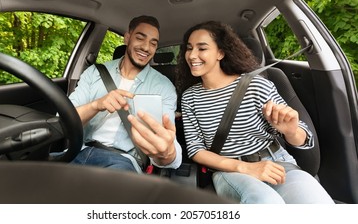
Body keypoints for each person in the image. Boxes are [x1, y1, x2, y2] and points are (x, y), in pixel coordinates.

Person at [176, 20, 334, 204]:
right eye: (189, 48)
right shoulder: (189, 98)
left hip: (276, 161)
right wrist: (245, 168)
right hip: (229, 170)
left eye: (202, 48)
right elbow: (196, 150)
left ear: (220, 53)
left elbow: (304, 139)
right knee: (266, 202)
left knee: (317, 201)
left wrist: (290, 131)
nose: (192, 55)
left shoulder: (256, 86)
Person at [69, 15, 182, 173]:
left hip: (122, 160)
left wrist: (168, 153)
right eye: (140, 38)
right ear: (127, 38)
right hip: (78, 151)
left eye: (153, 43)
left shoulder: (164, 87)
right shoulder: (95, 72)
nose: (146, 47)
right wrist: (96, 105)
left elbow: (168, 142)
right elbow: (65, 120)